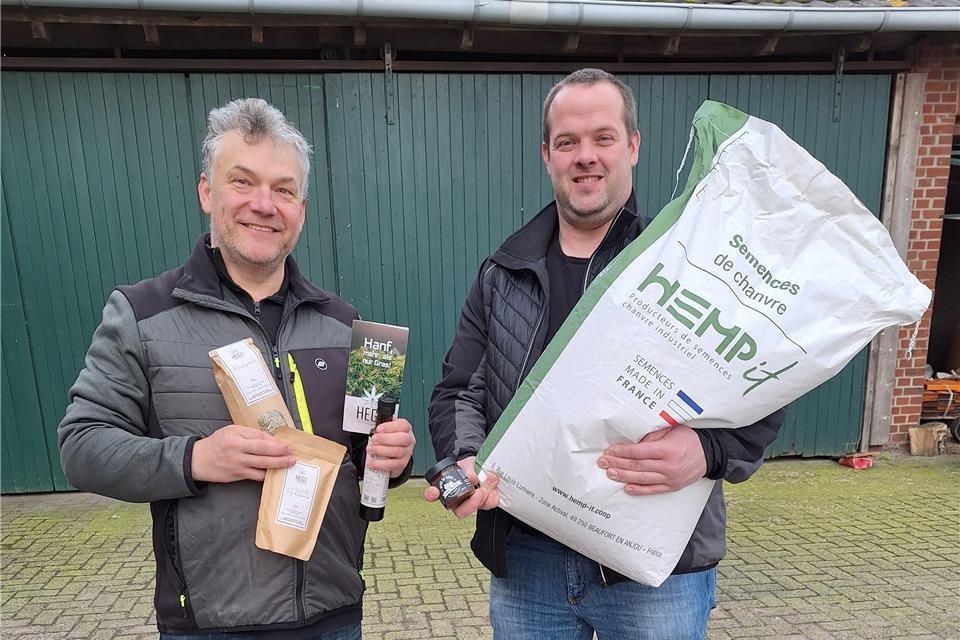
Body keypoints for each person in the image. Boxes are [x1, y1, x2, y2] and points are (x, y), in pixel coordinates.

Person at [426, 69, 784, 639]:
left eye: (603, 137)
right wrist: (466, 460)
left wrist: (708, 450)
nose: (585, 156)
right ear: (546, 155)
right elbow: (459, 391)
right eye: (567, 142)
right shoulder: (503, 274)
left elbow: (763, 391)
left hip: (651, 571)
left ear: (634, 146)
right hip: (527, 560)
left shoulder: (687, 264)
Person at [58, 98, 415, 640]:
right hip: (210, 626)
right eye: (242, 182)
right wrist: (196, 457)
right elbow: (82, 448)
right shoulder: (142, 313)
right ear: (207, 191)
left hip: (334, 616)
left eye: (283, 189)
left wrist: (392, 457)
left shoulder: (343, 324)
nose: (264, 205)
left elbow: (365, 455)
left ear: (302, 207)